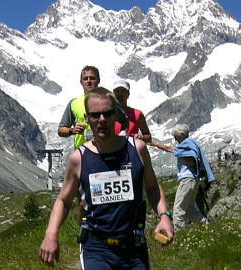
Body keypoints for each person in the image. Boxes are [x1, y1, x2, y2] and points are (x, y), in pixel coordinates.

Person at [40, 87, 173, 269]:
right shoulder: (78, 158)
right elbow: (63, 201)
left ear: (116, 115)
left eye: (108, 113)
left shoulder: (138, 149)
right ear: (87, 119)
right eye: (95, 115)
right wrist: (51, 234)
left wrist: (164, 216)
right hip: (96, 249)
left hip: (134, 247)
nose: (102, 120)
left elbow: (152, 187)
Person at [149, 124, 215, 231]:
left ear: (181, 135)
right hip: (193, 180)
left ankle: (181, 234)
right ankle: (207, 225)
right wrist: (154, 144)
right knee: (189, 210)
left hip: (187, 179)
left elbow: (189, 158)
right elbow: (172, 149)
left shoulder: (186, 144)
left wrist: (154, 144)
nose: (174, 138)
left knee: (178, 210)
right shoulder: (187, 145)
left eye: (175, 136)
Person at [58, 66, 128, 149]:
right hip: (83, 153)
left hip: (107, 150)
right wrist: (72, 131)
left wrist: (119, 139)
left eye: (92, 78)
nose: (89, 81)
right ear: (81, 82)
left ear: (98, 80)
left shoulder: (109, 100)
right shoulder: (74, 103)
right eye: (85, 79)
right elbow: (61, 130)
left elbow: (125, 122)